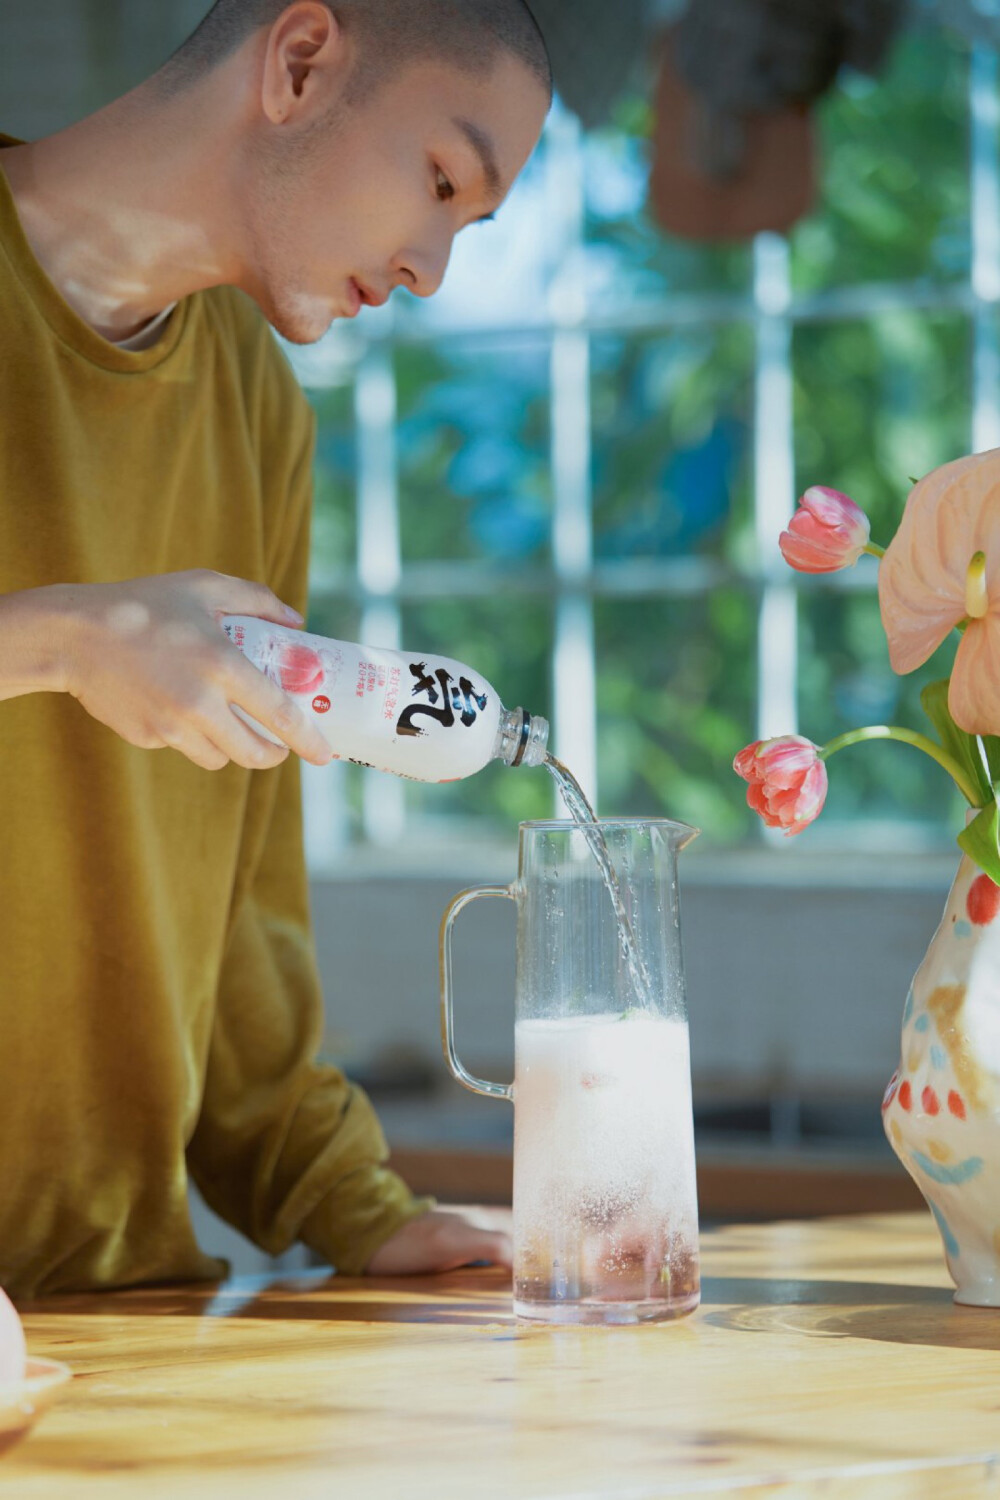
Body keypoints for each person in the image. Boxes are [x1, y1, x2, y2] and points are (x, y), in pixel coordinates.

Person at [0, 0, 550, 1298]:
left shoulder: (257, 414)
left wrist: (351, 1204)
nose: (432, 270)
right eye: (439, 183)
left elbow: (240, 905)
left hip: (111, 1308)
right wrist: (64, 637)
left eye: (467, 231)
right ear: (300, 63)